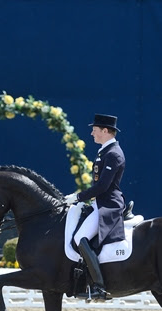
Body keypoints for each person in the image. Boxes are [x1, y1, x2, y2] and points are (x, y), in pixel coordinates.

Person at [65, 114, 126, 300]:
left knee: (79, 237)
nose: (92, 133)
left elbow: (102, 187)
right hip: (99, 203)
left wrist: (78, 197)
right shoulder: (104, 151)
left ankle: (99, 286)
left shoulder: (114, 154)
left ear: (105, 131)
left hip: (108, 204)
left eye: (95, 130)